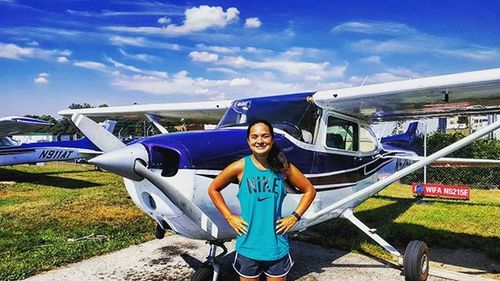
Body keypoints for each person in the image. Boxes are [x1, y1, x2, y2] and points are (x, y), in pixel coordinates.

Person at [208, 119, 317, 281]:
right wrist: (229, 217)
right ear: (248, 140)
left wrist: (294, 217)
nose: (260, 141)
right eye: (254, 137)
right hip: (247, 247)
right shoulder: (240, 167)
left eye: (265, 136)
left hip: (276, 247)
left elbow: (310, 190)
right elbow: (213, 189)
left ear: (272, 140)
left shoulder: (283, 167)